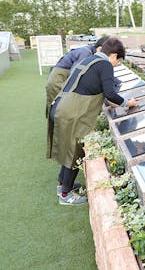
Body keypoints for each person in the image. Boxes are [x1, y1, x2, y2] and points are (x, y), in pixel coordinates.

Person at [46, 37, 138, 205]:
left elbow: (100, 91)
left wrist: (114, 103)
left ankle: (63, 184)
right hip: (72, 112)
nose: (117, 64)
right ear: (114, 55)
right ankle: (66, 195)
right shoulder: (105, 65)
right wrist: (127, 103)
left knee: (68, 148)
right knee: (75, 151)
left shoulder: (90, 60)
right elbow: (110, 93)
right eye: (119, 60)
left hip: (61, 106)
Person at [45, 35, 109, 117]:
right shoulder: (86, 53)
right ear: (100, 48)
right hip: (58, 79)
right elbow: (76, 74)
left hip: (63, 78)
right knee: (58, 110)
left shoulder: (91, 52)